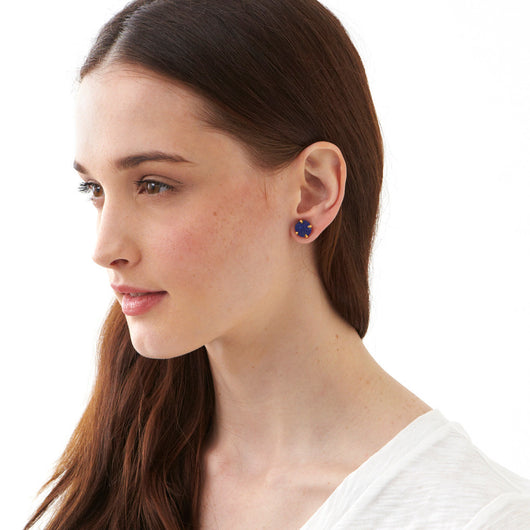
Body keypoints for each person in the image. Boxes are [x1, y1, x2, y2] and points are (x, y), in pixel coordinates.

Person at [26, 0, 530, 528]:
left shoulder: (475, 516)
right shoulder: (112, 475)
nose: (104, 247)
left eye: (154, 185)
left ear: (312, 190)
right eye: (94, 189)